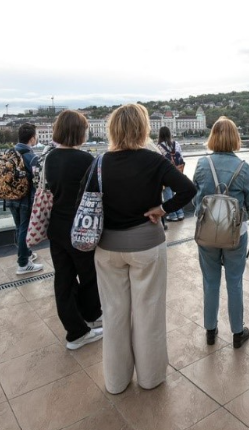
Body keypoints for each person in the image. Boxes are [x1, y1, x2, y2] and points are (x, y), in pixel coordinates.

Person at [89, 103, 196, 394]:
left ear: (112, 129)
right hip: (147, 245)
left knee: (113, 314)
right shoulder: (154, 161)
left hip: (108, 247)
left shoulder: (99, 163)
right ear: (142, 128)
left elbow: (85, 203)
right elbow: (188, 189)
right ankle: (150, 378)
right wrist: (162, 209)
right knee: (148, 313)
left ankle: (116, 381)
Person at [193, 117, 249, 349]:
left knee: (210, 281)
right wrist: (237, 222)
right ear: (235, 138)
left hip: (207, 234)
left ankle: (210, 330)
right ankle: (237, 333)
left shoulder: (201, 164)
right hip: (235, 234)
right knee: (234, 281)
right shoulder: (243, 167)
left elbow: (196, 199)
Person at [46, 110, 103, 350]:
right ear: (78, 132)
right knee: (89, 274)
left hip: (56, 226)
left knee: (64, 278)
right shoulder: (85, 160)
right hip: (80, 227)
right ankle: (89, 317)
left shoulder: (50, 157)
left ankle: (75, 328)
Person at [9, 123, 44, 274]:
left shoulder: (10, 152)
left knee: (19, 228)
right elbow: (39, 179)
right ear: (32, 139)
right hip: (25, 199)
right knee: (24, 229)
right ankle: (23, 264)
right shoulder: (30, 156)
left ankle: (27, 254)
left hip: (10, 198)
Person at [157, 126, 186, 221]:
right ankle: (180, 213)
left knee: (167, 193)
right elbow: (181, 157)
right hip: (178, 171)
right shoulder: (176, 143)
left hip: (166, 173)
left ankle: (173, 215)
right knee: (177, 193)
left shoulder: (159, 146)